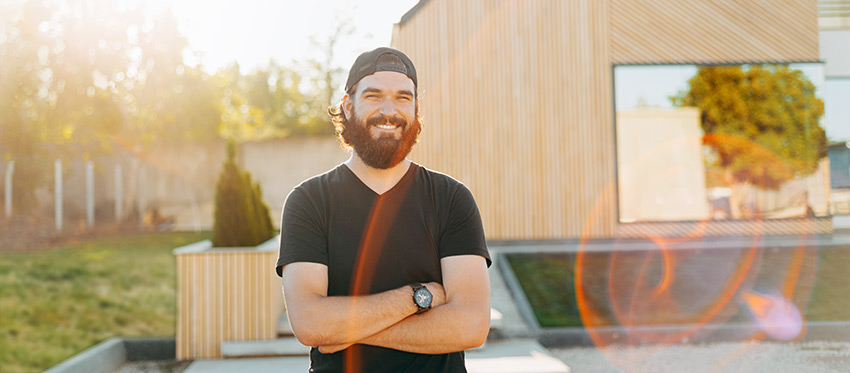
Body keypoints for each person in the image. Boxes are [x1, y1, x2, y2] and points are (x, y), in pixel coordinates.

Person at [275, 47, 492, 372]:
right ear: (348, 107)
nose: (389, 111)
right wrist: (420, 297)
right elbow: (310, 322)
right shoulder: (309, 201)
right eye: (374, 96)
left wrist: (345, 332)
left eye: (403, 98)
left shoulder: (452, 199)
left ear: (416, 109)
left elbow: (471, 326)